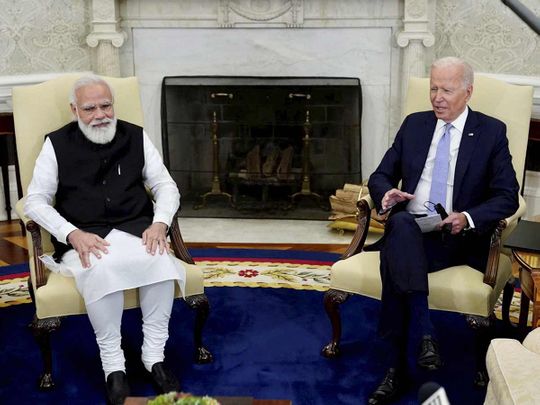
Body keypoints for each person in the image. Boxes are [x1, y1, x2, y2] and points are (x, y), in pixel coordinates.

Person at [366, 57, 519, 404]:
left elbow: (507, 195)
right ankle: (425, 333)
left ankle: (395, 370)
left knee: (396, 255)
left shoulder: (491, 132)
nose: (437, 97)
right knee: (402, 225)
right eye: (433, 88)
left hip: (455, 237)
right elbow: (380, 175)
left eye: (446, 90)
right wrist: (386, 193)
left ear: (468, 92)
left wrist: (466, 216)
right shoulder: (415, 125)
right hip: (413, 227)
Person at [24, 75, 185, 405]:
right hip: (85, 237)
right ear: (74, 110)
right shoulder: (56, 144)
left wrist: (160, 224)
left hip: (137, 227)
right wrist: (72, 233)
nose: (100, 113)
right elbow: (35, 200)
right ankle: (114, 367)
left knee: (158, 259)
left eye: (106, 105)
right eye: (90, 107)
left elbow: (166, 186)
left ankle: (153, 357)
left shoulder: (136, 136)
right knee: (102, 268)